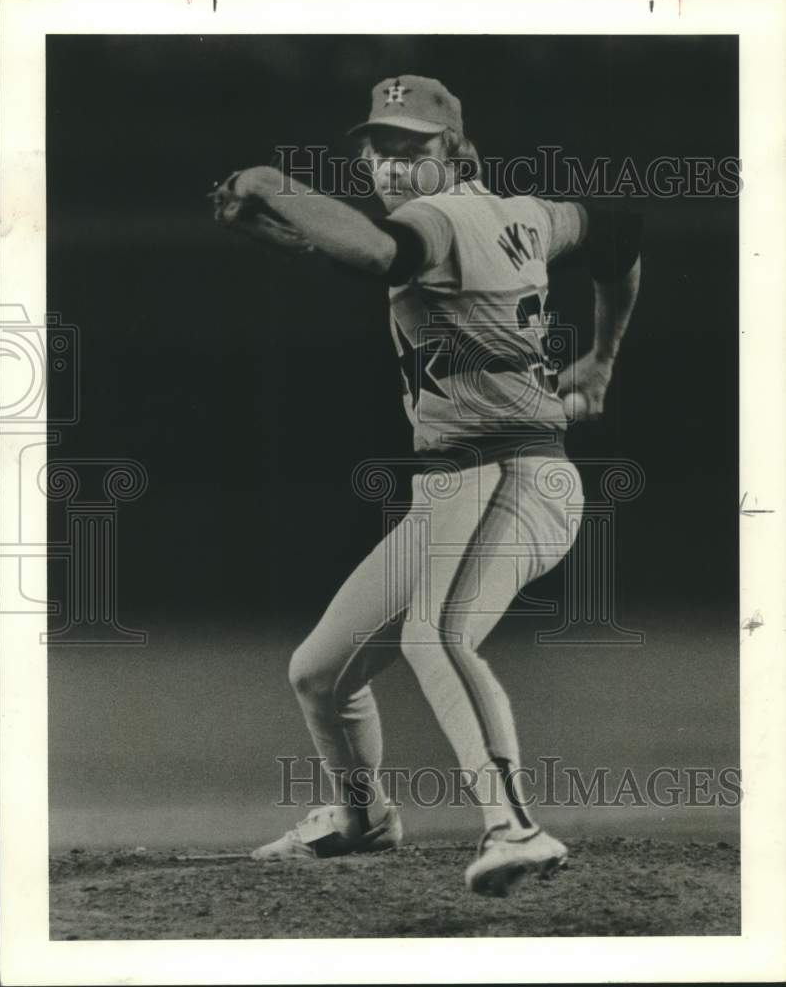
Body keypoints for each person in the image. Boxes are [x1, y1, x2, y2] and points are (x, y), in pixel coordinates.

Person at [214, 75, 641, 896]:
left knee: (435, 633)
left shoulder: (436, 219)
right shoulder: (521, 214)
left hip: (514, 475)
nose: (390, 164)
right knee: (320, 671)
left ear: (456, 150)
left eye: (411, 148)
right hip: (462, 488)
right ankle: (363, 818)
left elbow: (381, 251)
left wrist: (272, 186)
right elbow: (621, 230)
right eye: (378, 147)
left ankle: (515, 828)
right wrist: (604, 355)